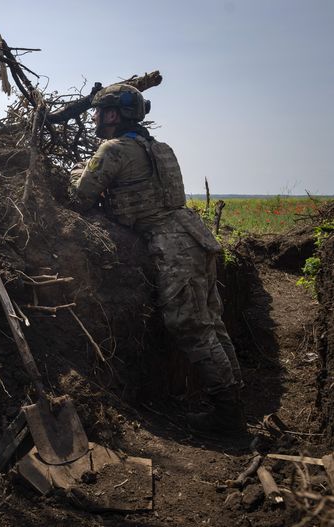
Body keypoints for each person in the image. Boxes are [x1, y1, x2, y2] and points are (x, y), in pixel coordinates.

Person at [68, 84, 245, 434]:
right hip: (195, 236)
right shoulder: (157, 147)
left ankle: (228, 417)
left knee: (190, 325)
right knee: (211, 323)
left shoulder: (114, 149)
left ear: (114, 115)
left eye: (99, 111)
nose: (94, 118)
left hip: (174, 246)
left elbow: (79, 198)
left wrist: (75, 172)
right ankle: (234, 404)